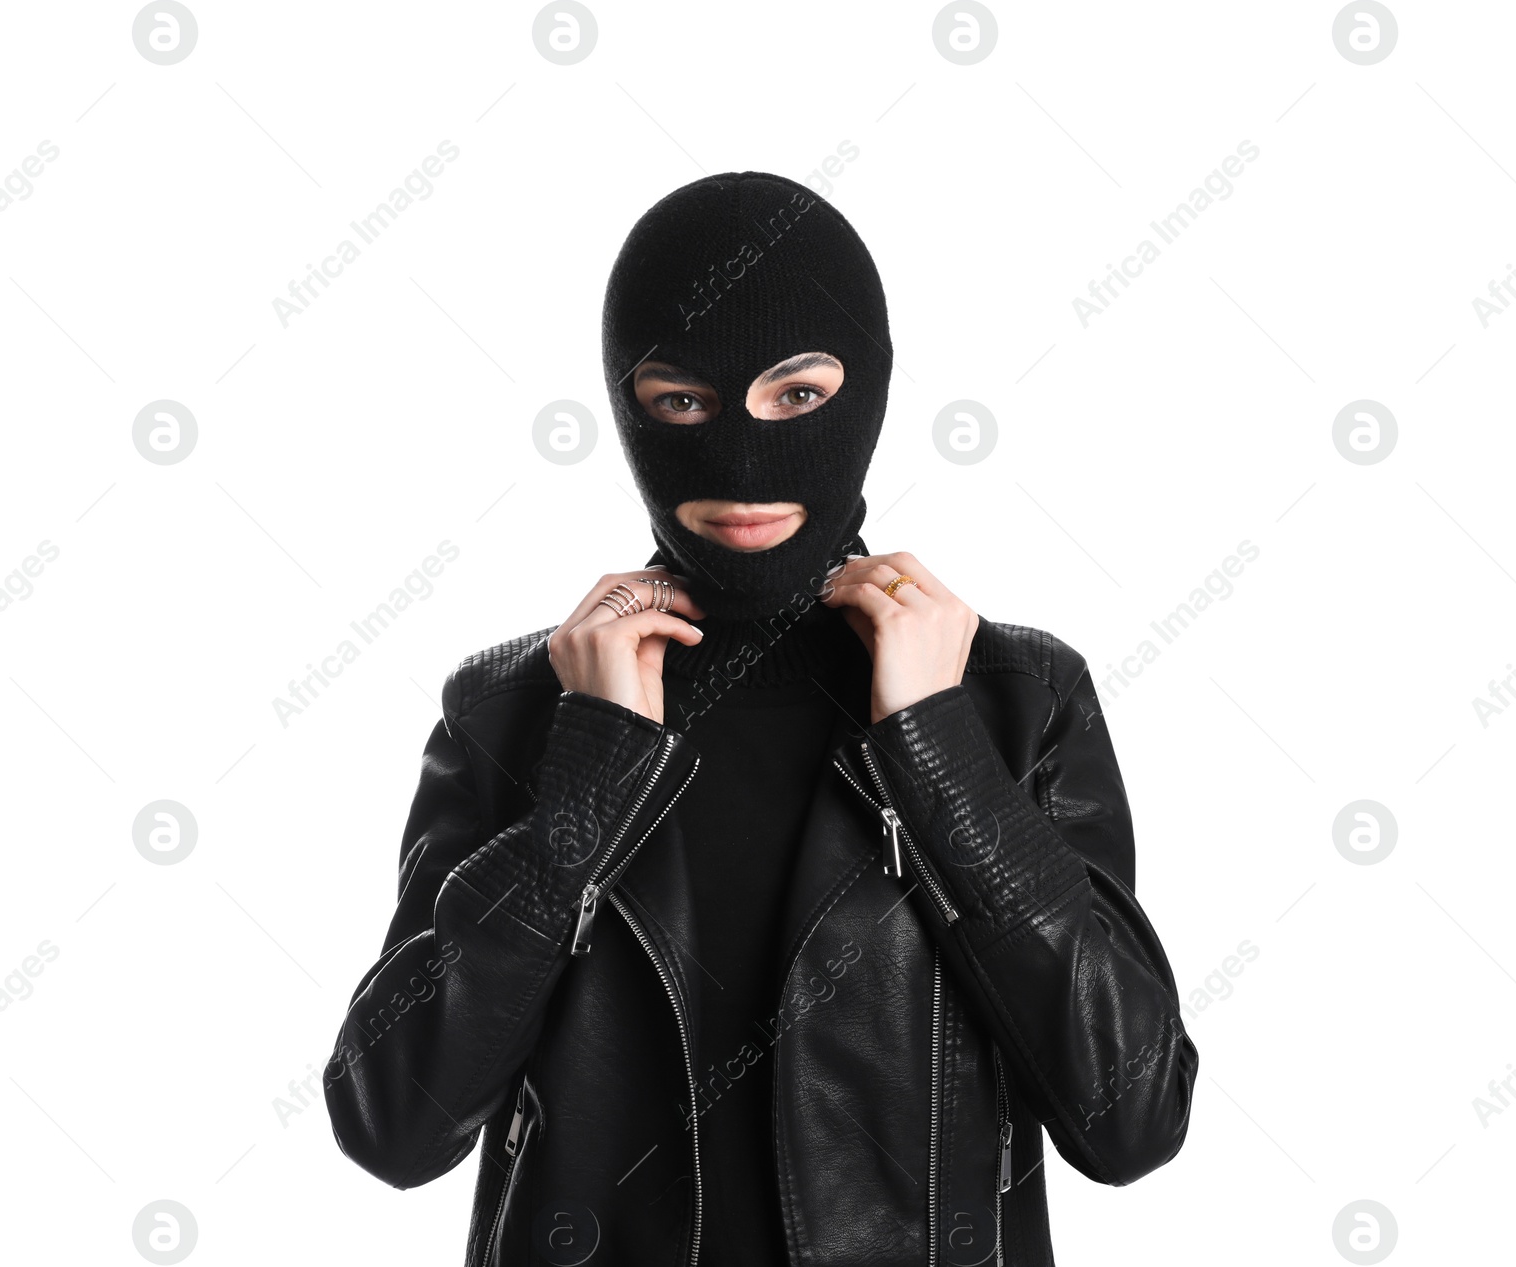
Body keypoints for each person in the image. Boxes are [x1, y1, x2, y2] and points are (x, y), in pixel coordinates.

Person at [324, 171, 1198, 1266]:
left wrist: (938, 749)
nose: (739, 461)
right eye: (681, 401)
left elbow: (1132, 1119)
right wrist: (588, 779)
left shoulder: (1015, 698)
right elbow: (392, 1125)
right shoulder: (518, 709)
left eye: (796, 395)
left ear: (868, 392)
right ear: (624, 405)